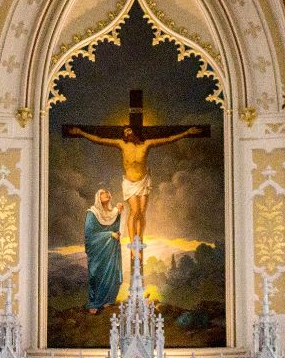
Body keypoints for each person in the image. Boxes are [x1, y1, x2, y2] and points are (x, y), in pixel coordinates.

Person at [63, 124, 208, 246]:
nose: (126, 133)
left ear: (134, 132)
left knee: (141, 213)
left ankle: (140, 239)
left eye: (129, 130)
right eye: (125, 132)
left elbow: (168, 139)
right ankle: (133, 242)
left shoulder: (147, 144)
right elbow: (100, 140)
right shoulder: (122, 145)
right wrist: (81, 132)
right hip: (130, 183)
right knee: (134, 211)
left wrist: (186, 133)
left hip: (144, 181)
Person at [82, 188, 123, 313]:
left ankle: (107, 300)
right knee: (96, 274)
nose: (106, 194)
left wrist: (119, 213)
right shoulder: (92, 213)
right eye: (102, 193)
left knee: (112, 273)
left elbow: (116, 229)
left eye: (107, 192)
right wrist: (109, 234)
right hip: (98, 251)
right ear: (98, 197)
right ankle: (95, 302)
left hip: (110, 250)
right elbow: (90, 235)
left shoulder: (113, 212)